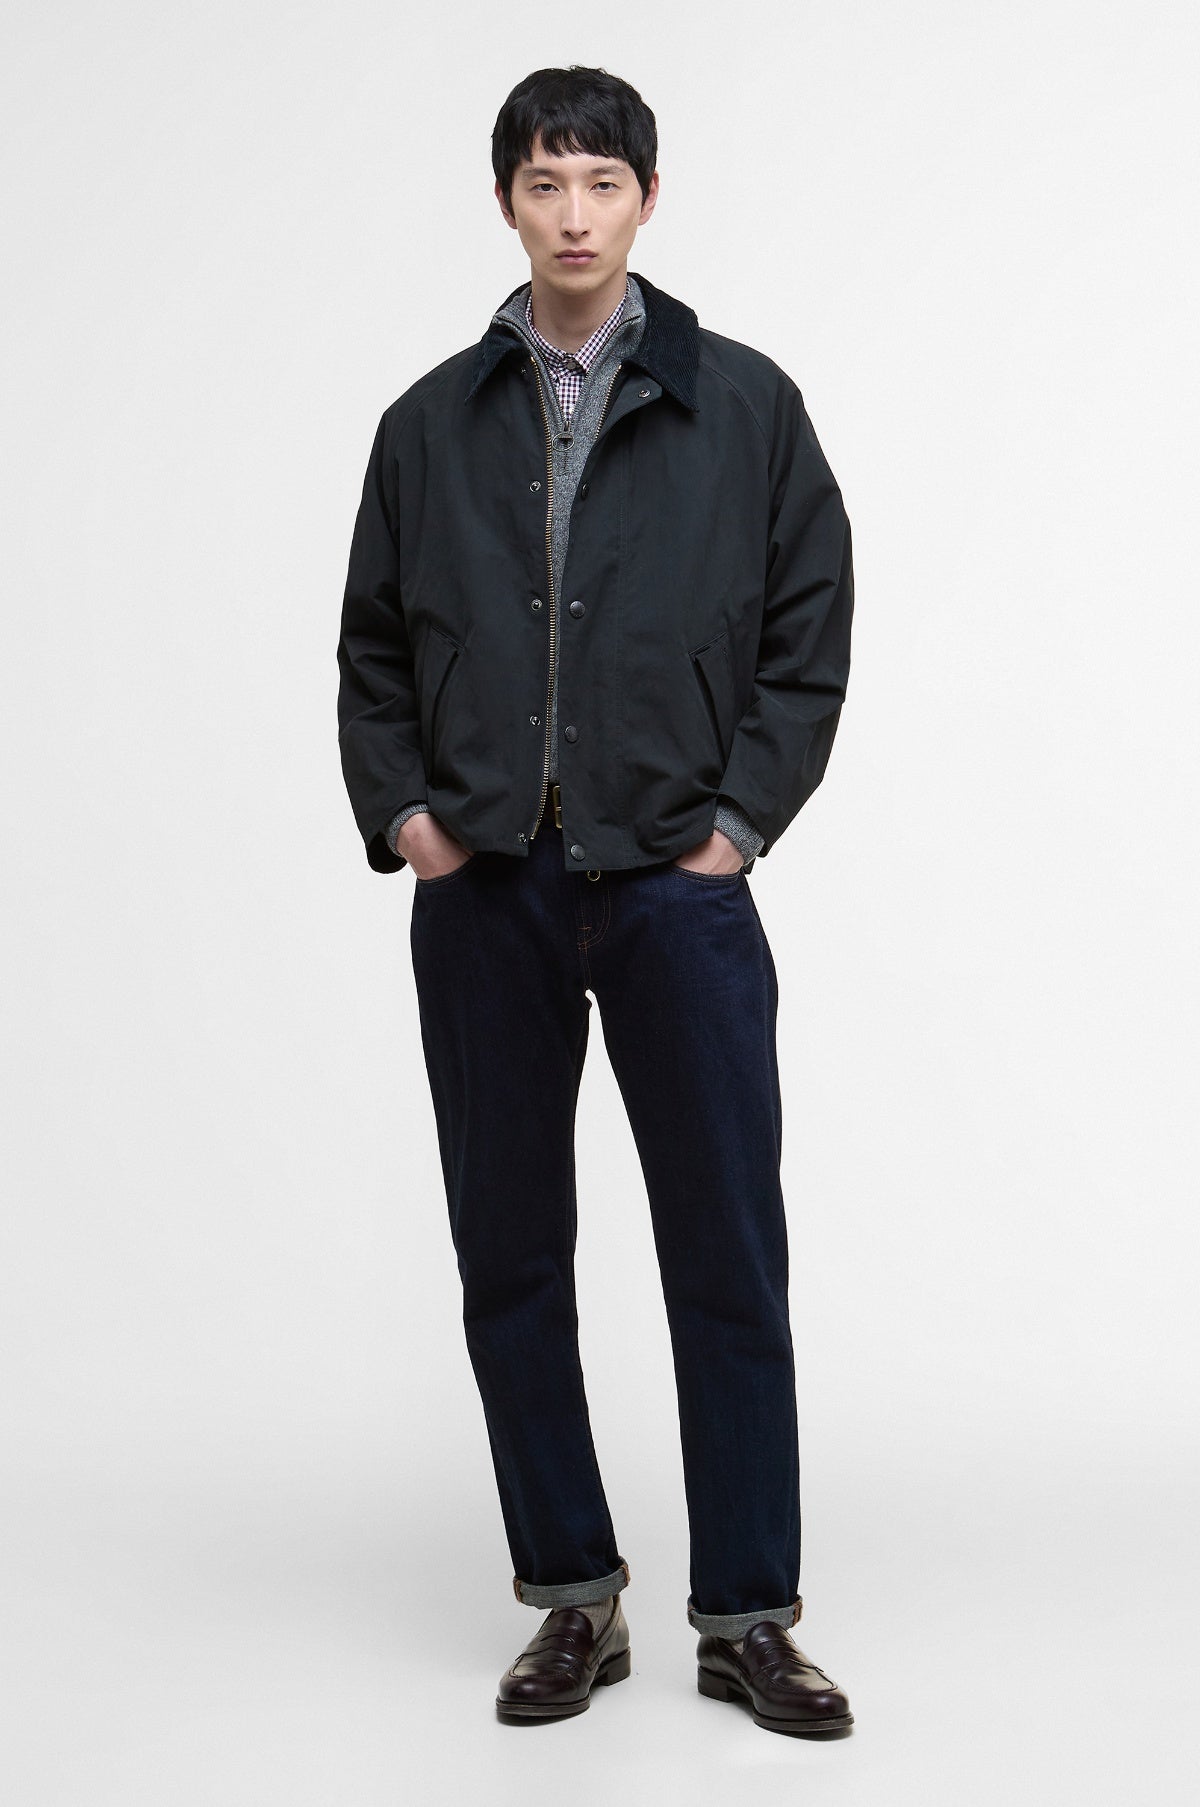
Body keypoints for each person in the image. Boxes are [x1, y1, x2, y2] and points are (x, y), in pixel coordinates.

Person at [336, 64, 856, 1738]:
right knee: (509, 1256)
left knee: (728, 1253)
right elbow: (371, 648)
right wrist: (412, 819)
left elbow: (809, 627)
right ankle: (573, 1597)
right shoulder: (429, 423)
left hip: (674, 891)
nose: (574, 216)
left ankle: (749, 1615)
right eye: (546, 184)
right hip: (487, 889)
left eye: (603, 184)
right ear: (506, 200)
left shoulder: (744, 403)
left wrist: (737, 826)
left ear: (647, 198)